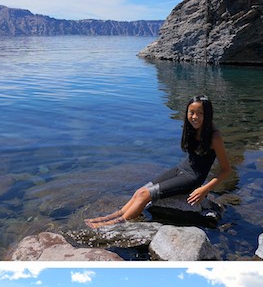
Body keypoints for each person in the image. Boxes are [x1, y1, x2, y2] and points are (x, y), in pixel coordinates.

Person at [86, 95, 232, 228]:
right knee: (140, 191)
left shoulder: (214, 137)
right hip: (180, 169)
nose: (195, 117)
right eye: (191, 112)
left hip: (191, 179)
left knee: (145, 195)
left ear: (208, 115)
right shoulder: (191, 129)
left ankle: (115, 223)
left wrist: (204, 189)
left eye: (200, 113)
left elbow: (226, 170)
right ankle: (111, 216)